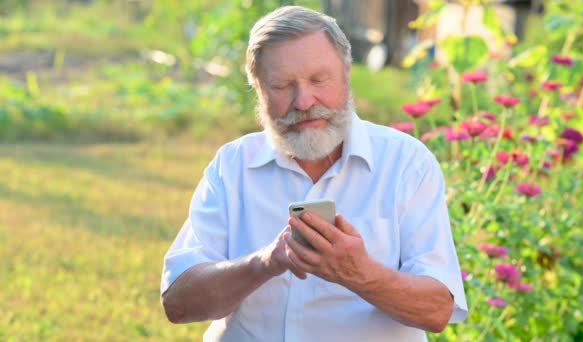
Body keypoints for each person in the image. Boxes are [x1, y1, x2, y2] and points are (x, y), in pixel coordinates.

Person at [160, 6, 468, 341]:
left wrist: (359, 273)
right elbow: (178, 302)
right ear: (258, 90)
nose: (304, 101)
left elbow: (438, 310)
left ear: (347, 74)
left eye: (319, 80)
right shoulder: (233, 165)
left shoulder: (406, 163)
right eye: (281, 85)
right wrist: (264, 262)